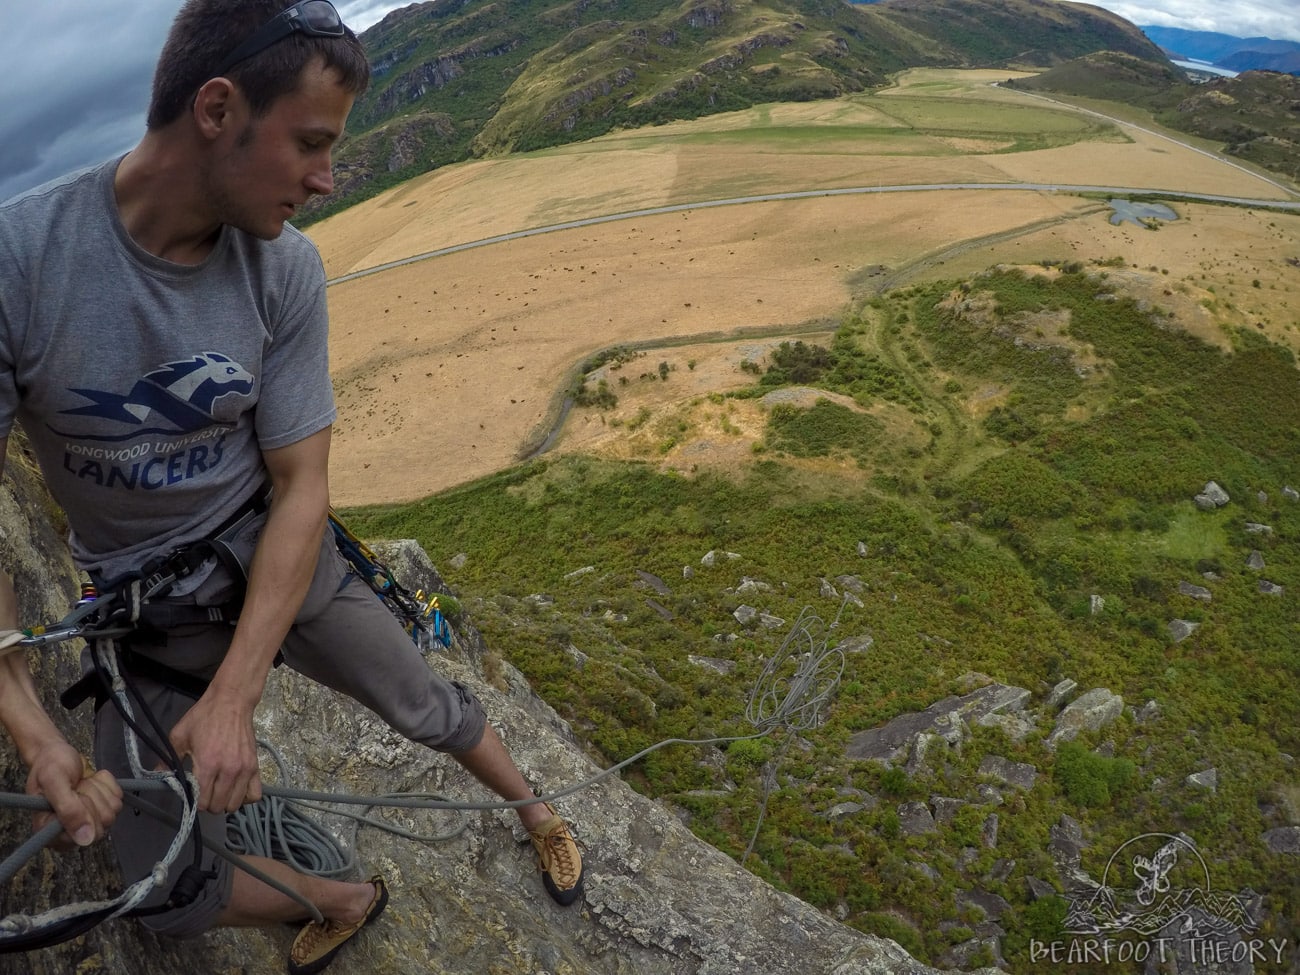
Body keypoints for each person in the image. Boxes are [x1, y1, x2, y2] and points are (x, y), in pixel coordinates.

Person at [0, 1, 583, 971]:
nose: (326, 178)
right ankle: (339, 897)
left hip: (265, 551)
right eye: (311, 143)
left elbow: (300, 483)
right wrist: (29, 730)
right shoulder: (22, 264)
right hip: (147, 615)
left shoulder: (283, 269)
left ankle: (538, 808)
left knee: (423, 703)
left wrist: (235, 698)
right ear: (218, 109)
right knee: (163, 892)